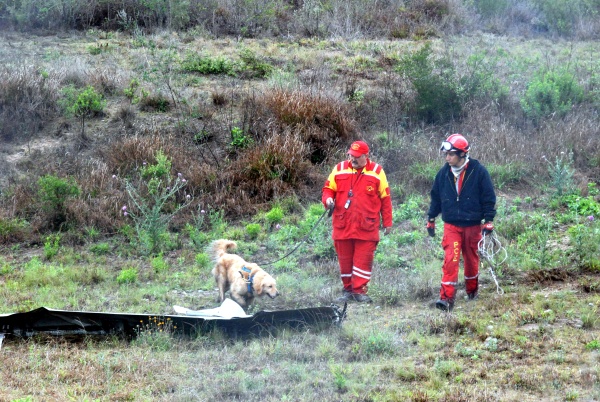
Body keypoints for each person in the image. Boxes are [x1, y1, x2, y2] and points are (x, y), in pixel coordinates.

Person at [427, 134, 496, 311]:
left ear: (462, 154)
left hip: (473, 225)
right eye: (446, 155)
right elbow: (436, 198)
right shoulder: (443, 174)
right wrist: (431, 218)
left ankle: (472, 291)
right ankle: (447, 298)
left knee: (472, 260)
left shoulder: (479, 171)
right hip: (452, 226)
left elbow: (488, 197)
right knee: (451, 259)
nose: (447, 158)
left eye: (451, 154)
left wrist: (488, 220)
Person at [322, 140, 393, 303]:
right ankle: (348, 290)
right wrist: (328, 201)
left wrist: (387, 223)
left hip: (367, 226)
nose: (352, 159)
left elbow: (385, 199)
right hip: (342, 225)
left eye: (356, 157)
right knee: (345, 261)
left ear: (366, 156)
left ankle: (359, 291)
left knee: (363, 259)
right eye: (350, 156)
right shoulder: (339, 169)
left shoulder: (377, 171)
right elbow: (328, 189)